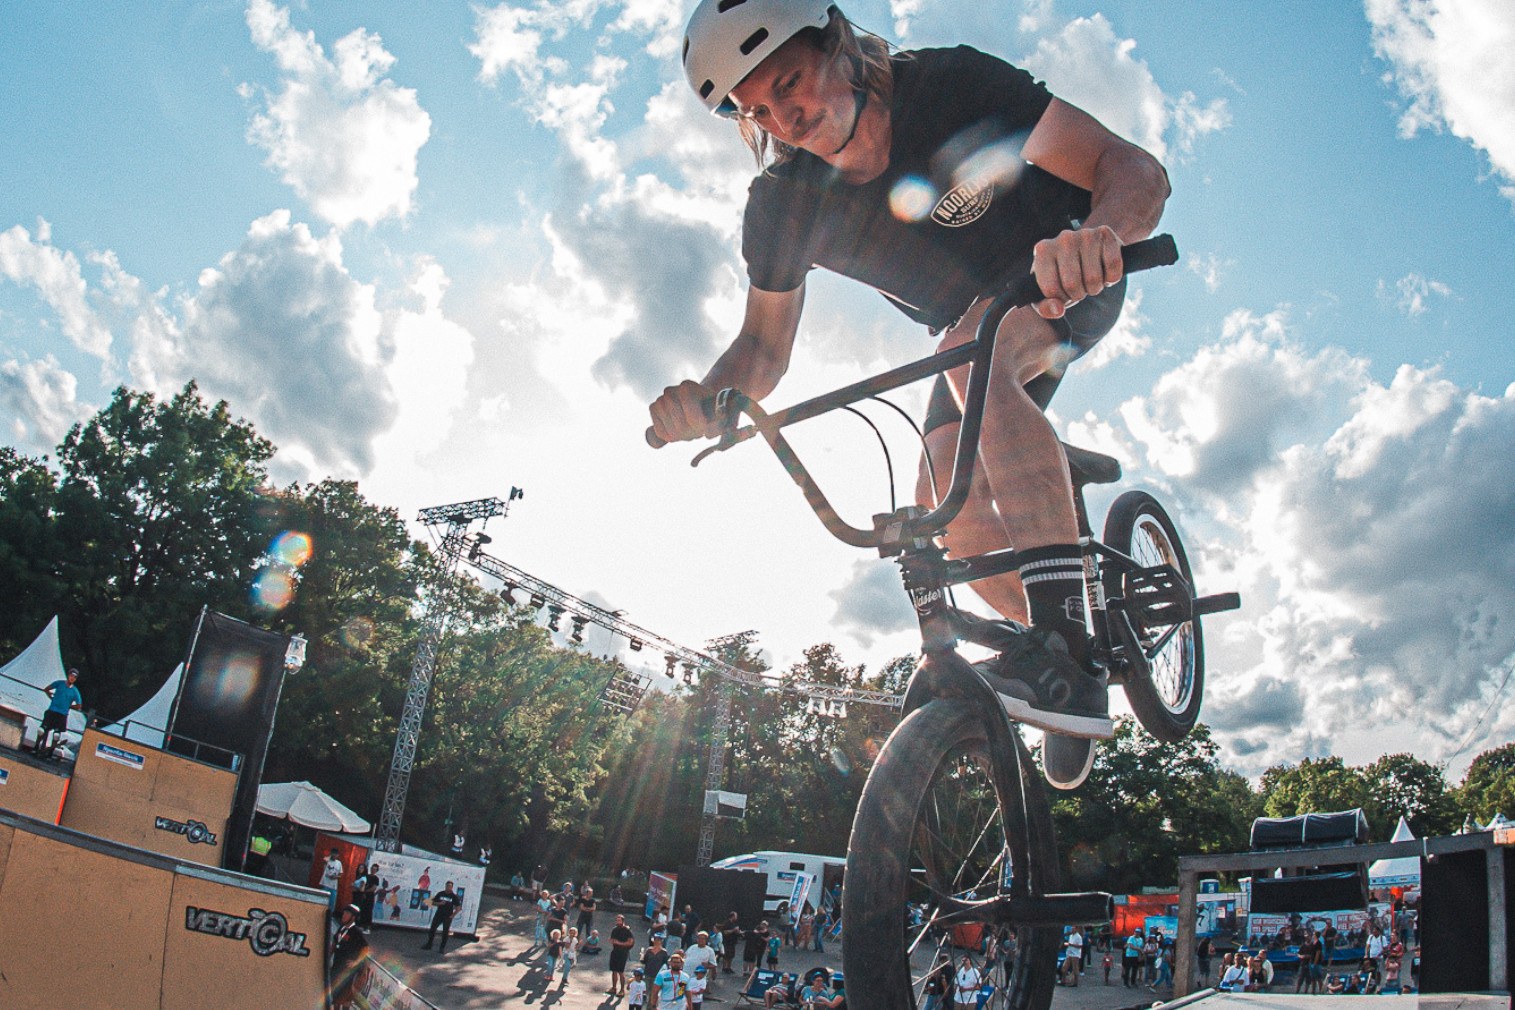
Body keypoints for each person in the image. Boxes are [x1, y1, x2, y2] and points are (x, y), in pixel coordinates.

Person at [653, 0, 1170, 792]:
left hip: (1064, 279)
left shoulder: (953, 87)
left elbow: (1130, 168)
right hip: (968, 340)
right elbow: (760, 348)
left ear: (836, 42)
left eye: (788, 82)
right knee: (952, 522)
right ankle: (1080, 630)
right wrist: (707, 400)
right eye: (755, 110)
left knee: (968, 356)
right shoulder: (783, 204)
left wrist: (1099, 233)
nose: (783, 118)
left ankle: (1066, 658)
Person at [330, 904, 370, 1009]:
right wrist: (327, 955)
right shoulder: (342, 928)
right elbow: (335, 943)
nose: (344, 915)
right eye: (344, 912)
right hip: (336, 966)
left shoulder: (356, 932)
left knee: (345, 999)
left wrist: (356, 962)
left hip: (346, 970)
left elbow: (365, 949)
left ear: (353, 917)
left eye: (347, 913)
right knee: (335, 998)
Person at [38, 667, 82, 758]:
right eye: (71, 676)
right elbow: (47, 689)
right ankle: (36, 747)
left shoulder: (75, 691)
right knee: (41, 730)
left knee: (56, 735)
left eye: (74, 677)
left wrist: (69, 706)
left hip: (62, 714)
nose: (72, 678)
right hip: (52, 711)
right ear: (68, 675)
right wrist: (51, 697)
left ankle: (50, 753)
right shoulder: (59, 683)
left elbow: (79, 705)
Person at [422, 880, 462, 953]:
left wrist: (452, 915)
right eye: (447, 886)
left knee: (445, 932)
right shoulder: (440, 894)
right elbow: (432, 902)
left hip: (447, 916)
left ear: (452, 887)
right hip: (439, 914)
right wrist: (439, 903)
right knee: (432, 929)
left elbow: (458, 908)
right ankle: (429, 944)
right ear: (445, 886)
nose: (448, 888)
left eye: (450, 887)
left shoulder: (454, 896)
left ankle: (442, 948)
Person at [609, 912, 637, 996]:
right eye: (617, 920)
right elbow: (612, 939)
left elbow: (630, 942)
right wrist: (612, 941)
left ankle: (622, 990)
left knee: (620, 972)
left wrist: (619, 943)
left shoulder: (627, 930)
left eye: (619, 920)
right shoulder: (615, 929)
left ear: (623, 921)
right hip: (615, 952)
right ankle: (614, 988)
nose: (618, 922)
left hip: (623, 953)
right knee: (613, 970)